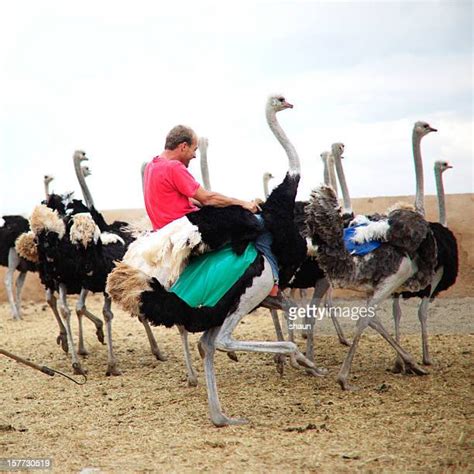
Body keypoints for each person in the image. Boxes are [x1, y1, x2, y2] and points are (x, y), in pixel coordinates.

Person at [143, 124, 280, 298]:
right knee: (260, 223)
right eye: (194, 149)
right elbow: (206, 198)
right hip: (187, 229)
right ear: (183, 146)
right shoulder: (174, 167)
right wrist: (242, 204)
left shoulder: (152, 166)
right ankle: (272, 281)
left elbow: (177, 197)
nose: (194, 155)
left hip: (165, 230)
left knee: (232, 213)